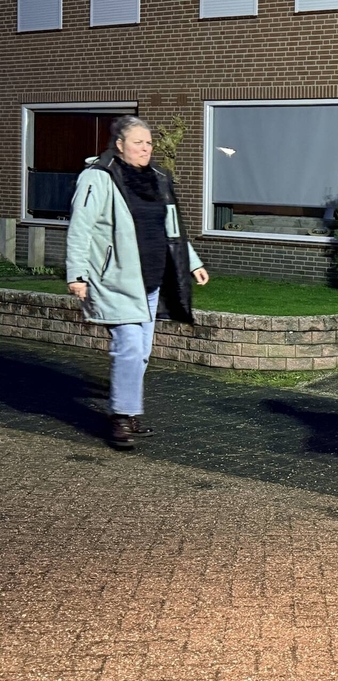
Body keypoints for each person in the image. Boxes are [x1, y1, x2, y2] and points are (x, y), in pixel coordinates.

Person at [65, 115, 209, 448]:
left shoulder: (159, 178)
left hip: (151, 280)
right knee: (129, 346)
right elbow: (81, 227)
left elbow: (171, 229)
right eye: (137, 142)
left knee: (141, 351)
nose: (145, 149)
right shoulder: (98, 178)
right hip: (113, 280)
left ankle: (126, 412)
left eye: (149, 143)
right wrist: (77, 274)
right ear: (119, 145)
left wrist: (193, 263)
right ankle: (120, 419)